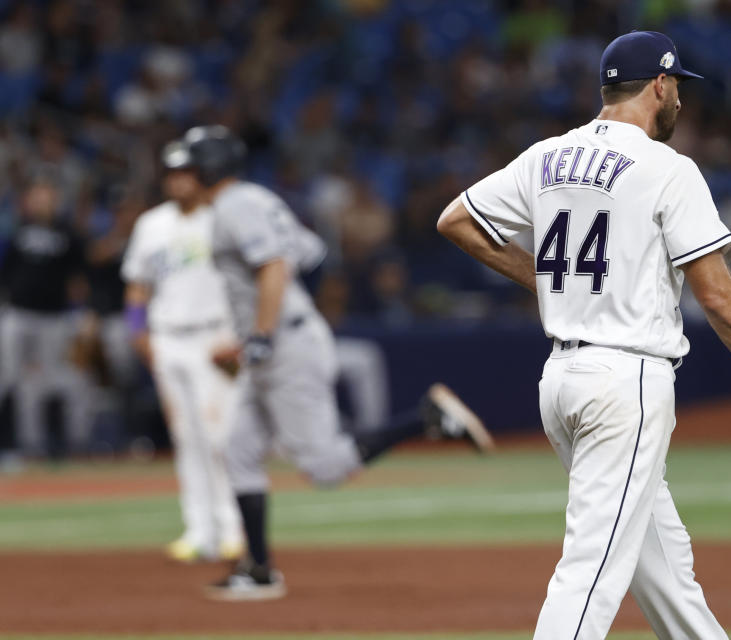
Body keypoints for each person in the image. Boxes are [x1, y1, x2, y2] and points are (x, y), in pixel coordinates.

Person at [437, 31, 731, 640]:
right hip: (625, 381)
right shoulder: (667, 167)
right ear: (660, 85)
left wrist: (545, 283)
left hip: (561, 380)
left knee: (665, 572)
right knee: (589, 575)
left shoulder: (548, 155)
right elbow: (717, 295)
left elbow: (457, 221)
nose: (681, 104)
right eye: (678, 89)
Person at [170, 125, 493, 601]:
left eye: (187, 167)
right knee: (239, 450)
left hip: (282, 344)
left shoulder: (236, 207)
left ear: (208, 168)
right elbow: (309, 254)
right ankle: (258, 570)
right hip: (283, 336)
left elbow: (274, 265)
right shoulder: (256, 201)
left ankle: (427, 419)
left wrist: (259, 335)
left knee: (324, 467)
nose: (178, 177)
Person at [121, 142, 245, 563]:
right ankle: (199, 532)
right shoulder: (151, 225)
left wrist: (242, 337)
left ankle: (234, 528)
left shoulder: (221, 219)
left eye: (186, 172)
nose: (178, 180)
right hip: (168, 338)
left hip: (215, 339)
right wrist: (138, 333)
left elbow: (246, 280)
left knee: (221, 437)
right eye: (171, 173)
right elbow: (137, 285)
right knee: (186, 438)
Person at [0, 178, 87, 460]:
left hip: (54, 317)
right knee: (6, 375)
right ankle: (14, 444)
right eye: (38, 196)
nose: (43, 201)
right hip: (18, 313)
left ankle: (34, 446)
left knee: (41, 383)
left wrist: (82, 315)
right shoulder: (17, 229)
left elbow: (79, 280)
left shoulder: (68, 234)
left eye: (48, 196)